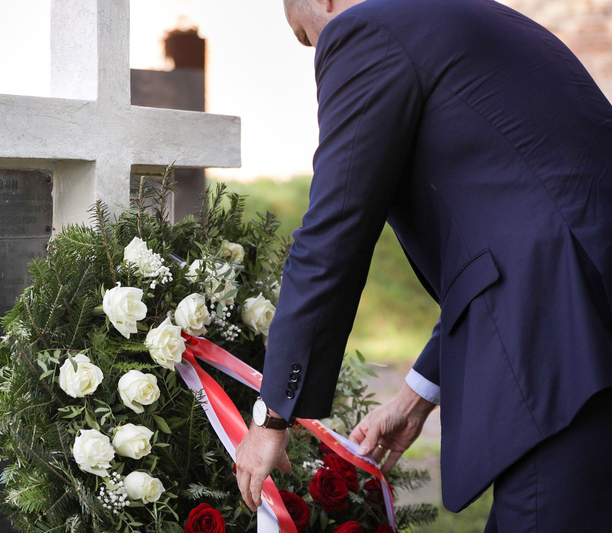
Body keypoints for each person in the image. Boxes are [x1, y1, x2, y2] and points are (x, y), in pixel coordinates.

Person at [234, 0, 612, 530]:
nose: (316, 51)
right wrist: (417, 396)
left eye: (305, 36)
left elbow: (332, 234)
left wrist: (272, 417)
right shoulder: (477, 17)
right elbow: (515, 233)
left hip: (560, 341)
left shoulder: (363, 30)